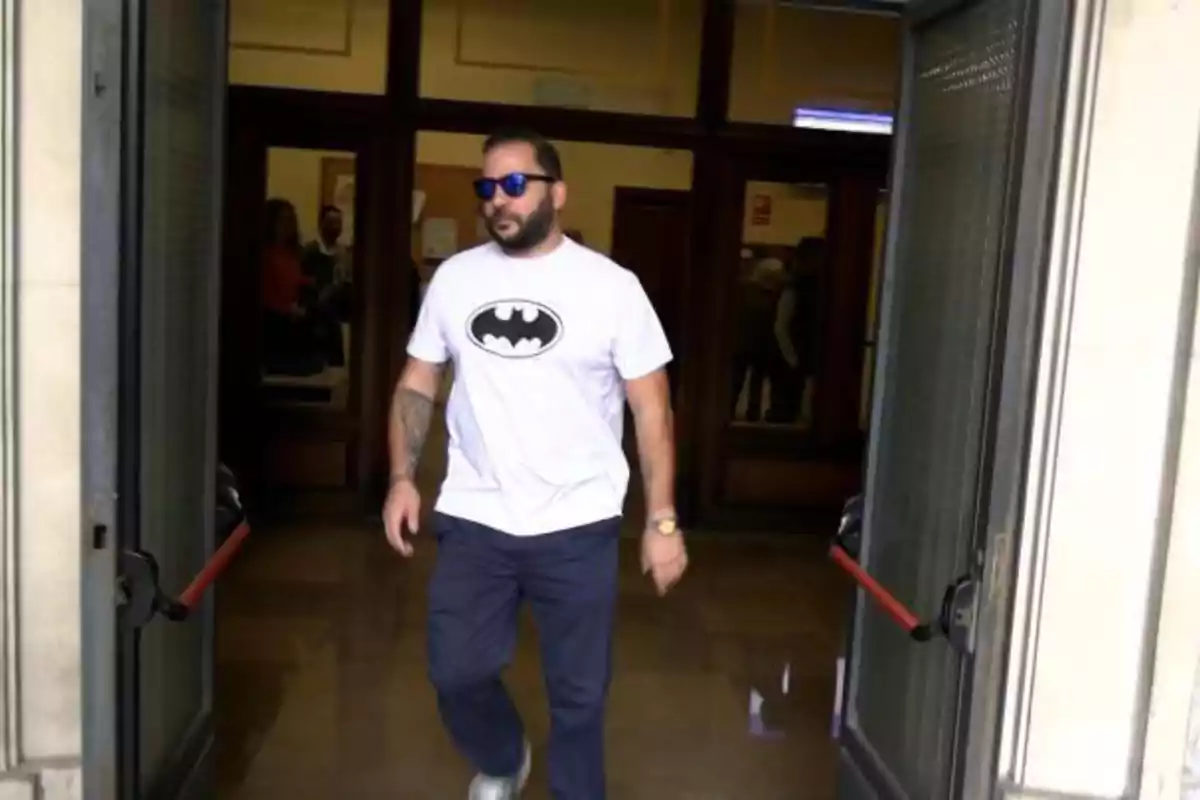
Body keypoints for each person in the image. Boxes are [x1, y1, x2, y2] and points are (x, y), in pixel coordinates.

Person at [382, 126, 688, 800]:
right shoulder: (457, 278)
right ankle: (503, 756)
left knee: (579, 699)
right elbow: (417, 382)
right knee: (456, 671)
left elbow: (652, 409)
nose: (500, 200)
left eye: (516, 184)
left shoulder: (611, 288)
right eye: (488, 187)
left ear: (558, 194)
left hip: (578, 522)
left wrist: (662, 521)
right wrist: (403, 478)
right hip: (476, 514)